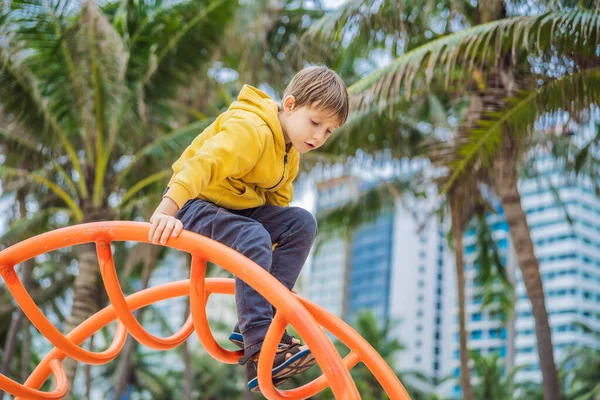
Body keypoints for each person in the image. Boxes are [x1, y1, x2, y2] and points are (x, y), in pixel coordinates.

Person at [148, 66, 349, 392]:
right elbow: (201, 165)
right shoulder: (251, 129)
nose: (318, 136)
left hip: (238, 212)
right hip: (194, 204)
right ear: (290, 104)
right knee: (253, 234)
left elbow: (278, 208)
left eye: (329, 131)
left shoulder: (290, 152)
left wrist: (268, 281)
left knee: (302, 223)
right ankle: (260, 339)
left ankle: (262, 315)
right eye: (315, 123)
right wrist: (164, 211)